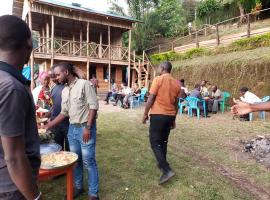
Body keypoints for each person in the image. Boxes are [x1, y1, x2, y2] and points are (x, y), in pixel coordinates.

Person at [43, 62, 99, 200]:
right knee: (75, 160)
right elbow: (64, 113)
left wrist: (88, 127)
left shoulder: (84, 84)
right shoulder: (65, 90)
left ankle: (93, 194)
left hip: (85, 128)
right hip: (72, 130)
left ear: (66, 72)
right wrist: (48, 125)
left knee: (89, 161)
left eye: (58, 74)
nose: (56, 77)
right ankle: (78, 187)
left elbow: (93, 106)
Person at [0, 15, 41, 200]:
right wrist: (35, 197)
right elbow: (14, 158)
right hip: (12, 188)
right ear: (28, 45)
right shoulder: (11, 88)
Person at [142, 61, 180, 184]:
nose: (158, 69)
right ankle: (162, 163)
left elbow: (151, 98)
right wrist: (173, 119)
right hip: (169, 116)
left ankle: (166, 170)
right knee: (163, 141)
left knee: (154, 142)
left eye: (159, 67)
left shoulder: (158, 80)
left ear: (163, 68)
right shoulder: (176, 83)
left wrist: (145, 114)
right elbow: (176, 104)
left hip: (158, 115)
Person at [48, 71, 70, 151]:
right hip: (55, 125)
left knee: (69, 151)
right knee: (57, 149)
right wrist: (47, 115)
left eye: (55, 76)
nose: (53, 78)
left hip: (68, 124)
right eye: (52, 77)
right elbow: (54, 105)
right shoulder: (54, 88)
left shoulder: (69, 87)